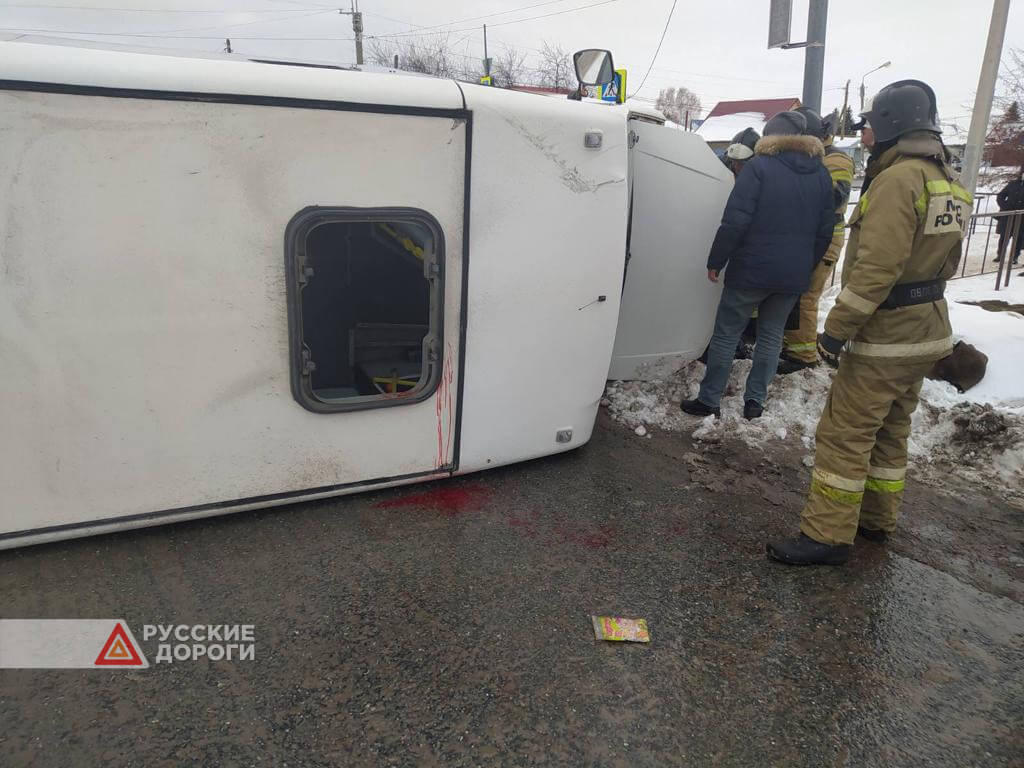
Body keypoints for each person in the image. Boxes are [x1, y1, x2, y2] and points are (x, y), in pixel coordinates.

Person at [767, 80, 971, 566]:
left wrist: (836, 330)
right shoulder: (950, 181)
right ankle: (876, 522)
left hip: (886, 336)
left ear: (891, 126)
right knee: (891, 431)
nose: (865, 137)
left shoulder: (898, 181)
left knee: (846, 433)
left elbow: (876, 270)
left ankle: (827, 535)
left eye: (871, 126)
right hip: (926, 329)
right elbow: (947, 261)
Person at [680, 111, 834, 421]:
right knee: (771, 337)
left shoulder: (759, 168)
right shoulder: (821, 174)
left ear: (770, 138)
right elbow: (824, 231)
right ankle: (755, 402)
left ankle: (710, 400)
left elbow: (735, 220)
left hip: (751, 270)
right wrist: (804, 265)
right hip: (792, 276)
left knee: (726, 334)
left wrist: (716, 260)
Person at [778, 108, 856, 373]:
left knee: (806, 296)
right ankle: (793, 344)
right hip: (809, 236)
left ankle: (803, 355)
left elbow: (836, 197)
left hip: (826, 238)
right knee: (797, 293)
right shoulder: (815, 158)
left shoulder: (836, 160)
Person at [994, 168, 1024, 265]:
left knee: (1019, 238)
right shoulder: (1013, 184)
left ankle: (1014, 257)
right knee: (1004, 237)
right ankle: (1000, 255)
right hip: (1008, 215)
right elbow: (1001, 195)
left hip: (1021, 218)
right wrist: (1005, 206)